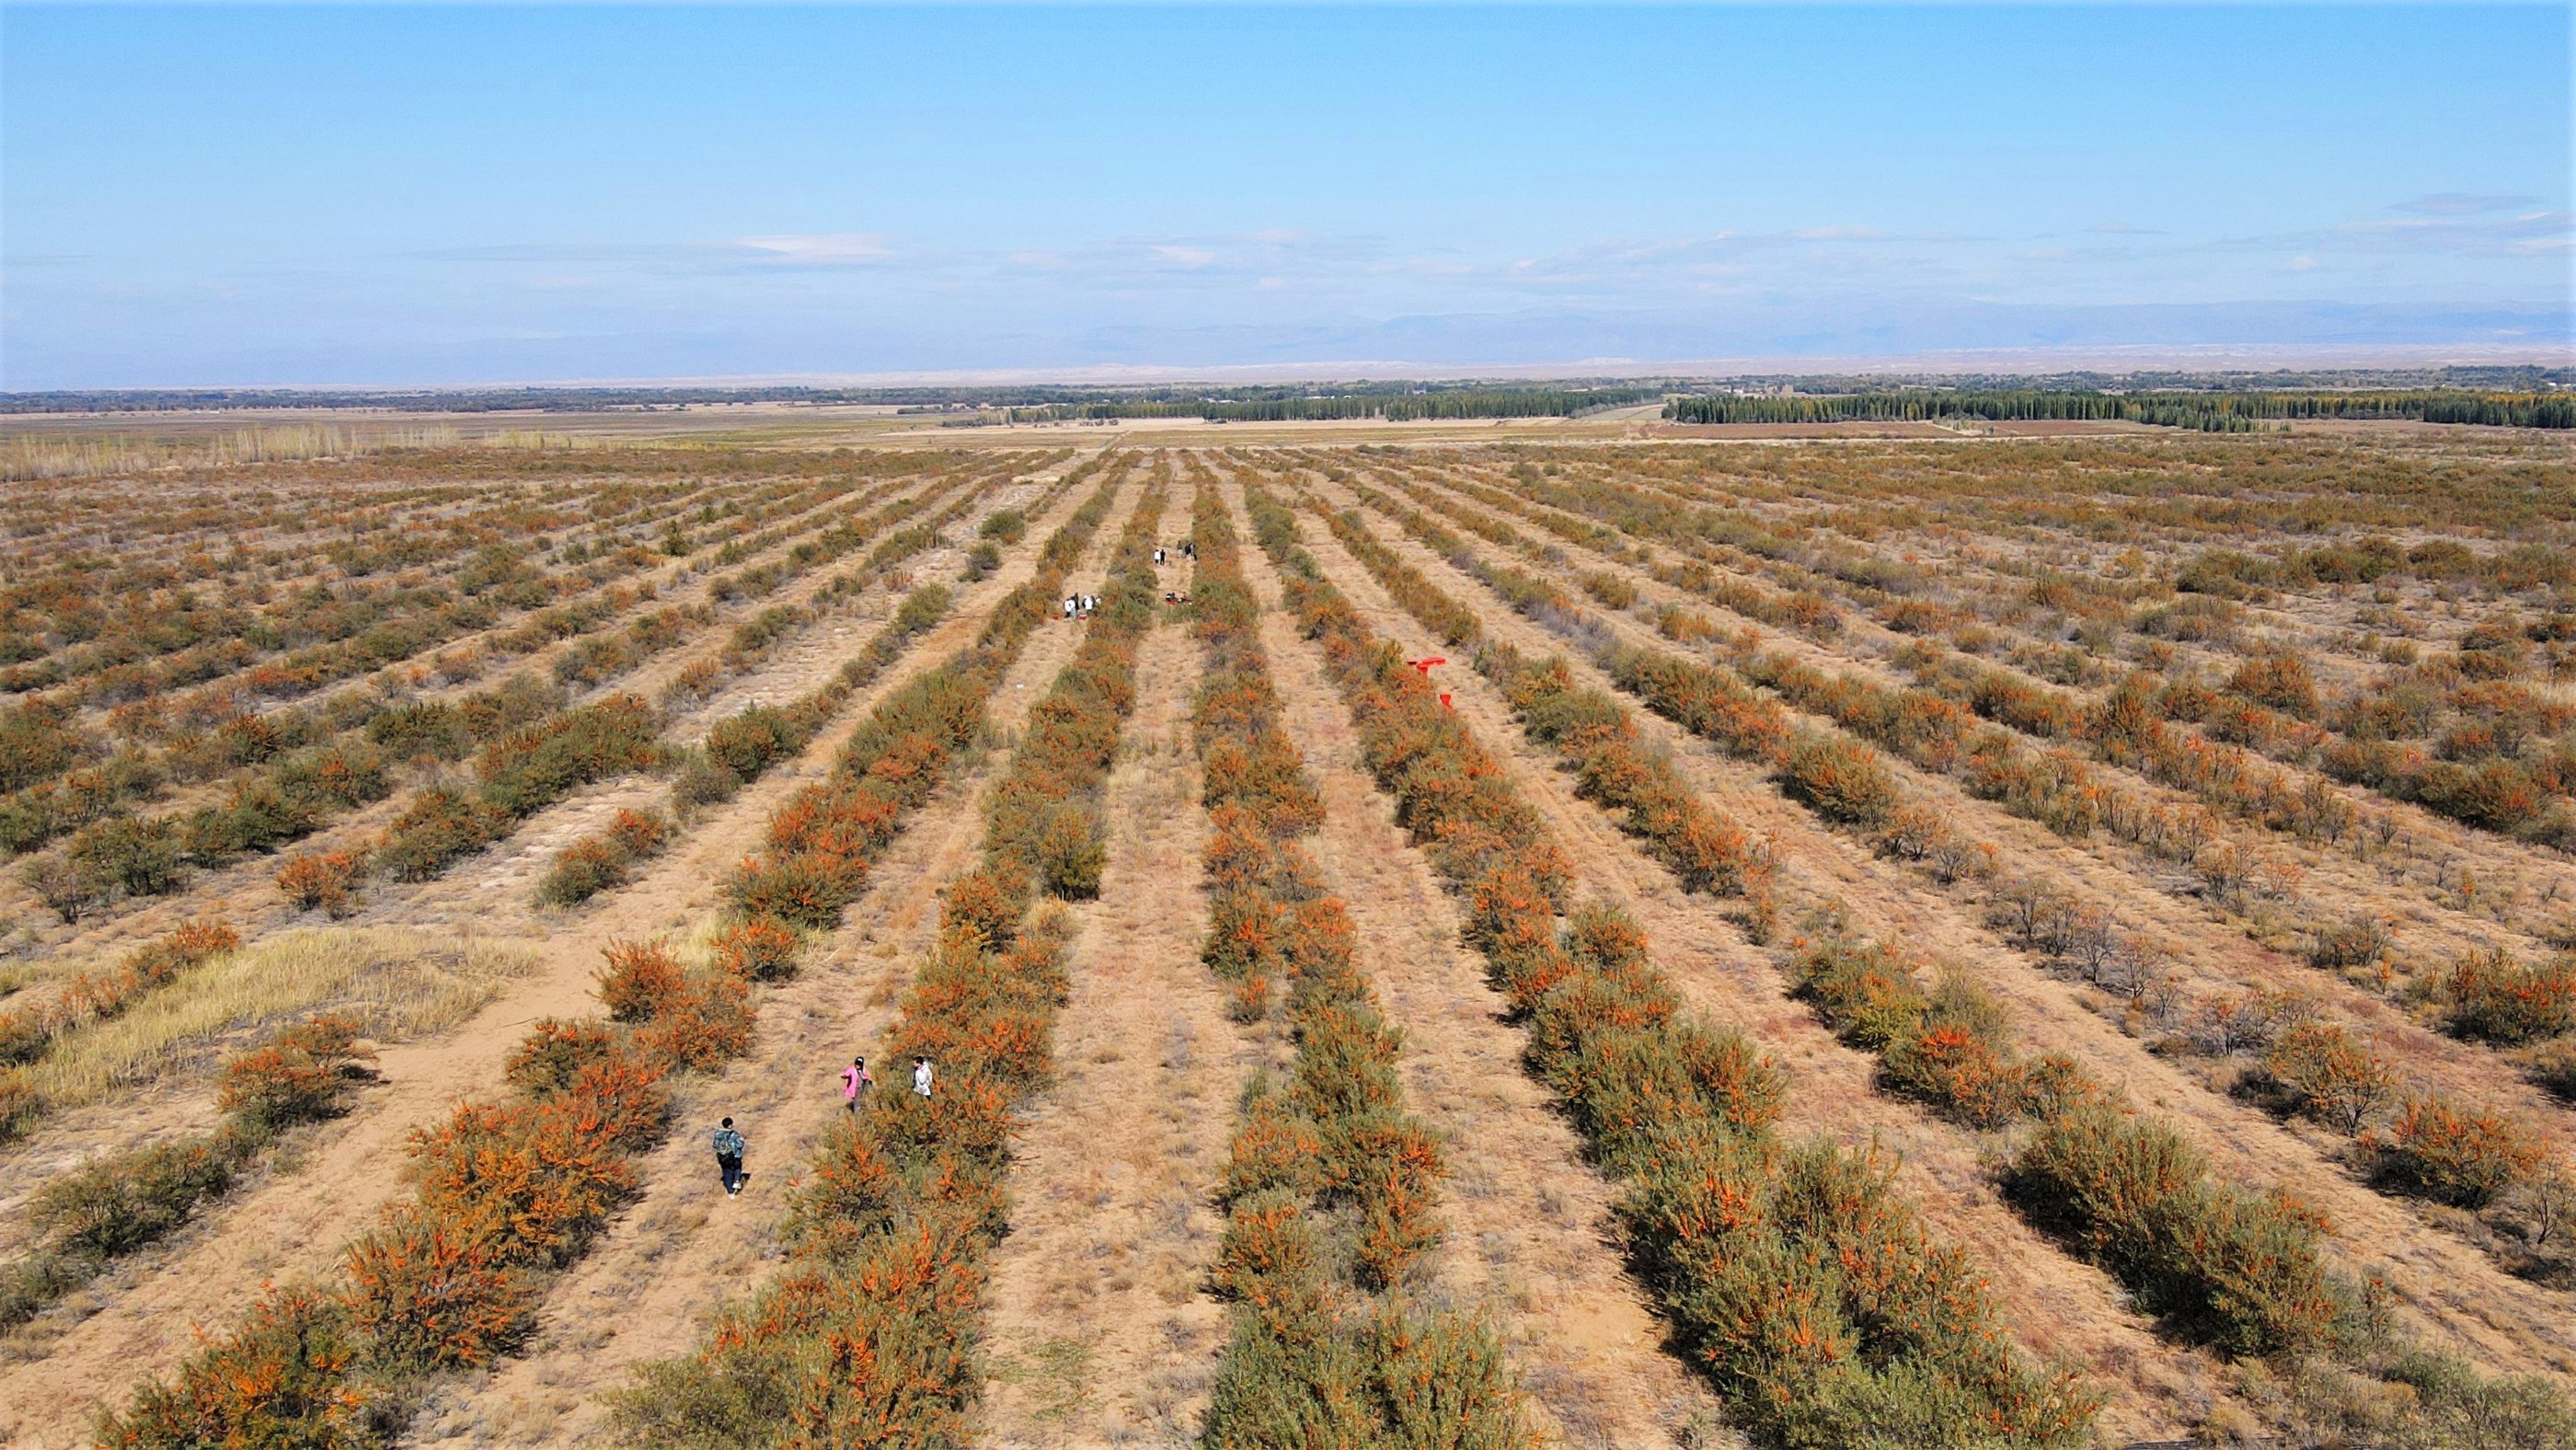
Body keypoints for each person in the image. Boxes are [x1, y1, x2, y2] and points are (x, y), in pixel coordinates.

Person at [711, 1117, 747, 1195]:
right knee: (737, 1167)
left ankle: (730, 1192)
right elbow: (739, 1145)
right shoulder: (734, 1134)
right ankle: (736, 1181)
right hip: (734, 1156)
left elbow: (715, 1145)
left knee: (727, 1172)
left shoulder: (717, 1134)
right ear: (730, 1125)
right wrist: (741, 1140)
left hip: (723, 1156)